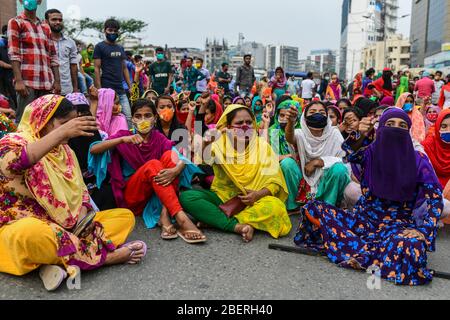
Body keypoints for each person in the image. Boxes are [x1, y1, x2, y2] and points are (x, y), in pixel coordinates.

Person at [0, 94, 147, 291]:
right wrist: (61, 133)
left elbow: (81, 193)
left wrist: (82, 220)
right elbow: (15, 162)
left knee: (124, 217)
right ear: (44, 119)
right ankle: (106, 258)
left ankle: (51, 263)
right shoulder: (14, 141)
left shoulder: (65, 151)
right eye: (64, 124)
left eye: (73, 124)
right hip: (25, 223)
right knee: (31, 235)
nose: (71, 131)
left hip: (68, 227)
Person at [295, 108, 443, 286]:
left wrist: (424, 232)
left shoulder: (418, 160)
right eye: (389, 124)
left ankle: (360, 252)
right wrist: (361, 133)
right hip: (362, 221)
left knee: (411, 246)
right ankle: (377, 255)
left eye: (402, 125)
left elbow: (435, 199)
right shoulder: (371, 152)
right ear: (380, 129)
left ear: (408, 131)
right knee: (314, 208)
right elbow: (349, 152)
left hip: (395, 227)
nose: (395, 129)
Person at [89, 98, 206, 243]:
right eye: (138, 116)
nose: (143, 120)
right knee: (153, 165)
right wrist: (122, 140)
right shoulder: (124, 135)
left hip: (156, 194)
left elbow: (181, 157)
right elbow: (94, 150)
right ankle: (181, 218)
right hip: (132, 196)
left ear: (154, 118)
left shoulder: (158, 138)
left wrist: (176, 170)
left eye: (147, 115)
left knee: (171, 156)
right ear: (132, 119)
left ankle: (164, 214)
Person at [180, 105, 292, 242]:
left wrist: (257, 195)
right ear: (228, 126)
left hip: (255, 200)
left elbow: (274, 182)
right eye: (239, 123)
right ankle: (236, 226)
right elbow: (203, 160)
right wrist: (206, 143)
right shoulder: (219, 143)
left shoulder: (263, 146)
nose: (245, 126)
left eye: (249, 122)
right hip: (223, 198)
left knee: (276, 207)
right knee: (187, 197)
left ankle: (215, 220)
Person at [285, 101, 350, 206]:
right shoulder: (299, 133)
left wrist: (318, 162)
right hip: (303, 178)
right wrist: (291, 122)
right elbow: (290, 137)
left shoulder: (334, 133)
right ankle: (294, 206)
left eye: (322, 112)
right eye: (312, 112)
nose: (317, 114)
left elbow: (344, 159)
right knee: (287, 163)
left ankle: (327, 206)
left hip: (325, 180)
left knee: (340, 169)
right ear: (305, 117)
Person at [8, 0, 61, 122]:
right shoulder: (16, 22)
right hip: (27, 83)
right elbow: (14, 54)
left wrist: (57, 81)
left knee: (44, 122)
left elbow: (53, 56)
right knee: (25, 122)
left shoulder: (45, 27)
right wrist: (19, 80)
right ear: (21, 1)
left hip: (46, 83)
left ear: (39, 1)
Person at [94, 18, 132, 125]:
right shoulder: (99, 47)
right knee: (106, 118)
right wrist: (99, 89)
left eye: (115, 31)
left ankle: (128, 140)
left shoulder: (120, 48)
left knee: (128, 117)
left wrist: (130, 86)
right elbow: (97, 68)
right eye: (110, 30)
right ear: (105, 30)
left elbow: (124, 68)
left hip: (120, 89)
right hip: (107, 89)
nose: (113, 33)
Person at [269, 100, 303, 212]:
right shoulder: (273, 131)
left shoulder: (302, 131)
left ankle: (297, 202)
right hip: (279, 169)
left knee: (288, 164)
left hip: (302, 170)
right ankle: (289, 204)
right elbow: (272, 157)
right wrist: (288, 156)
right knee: (287, 163)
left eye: (288, 116)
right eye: (281, 115)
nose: (284, 118)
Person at [46, 9, 79, 96]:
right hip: (47, 89)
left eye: (60, 20)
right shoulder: (43, 41)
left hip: (67, 89)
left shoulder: (70, 42)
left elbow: (73, 66)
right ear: (46, 22)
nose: (58, 22)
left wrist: (75, 88)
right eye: (54, 19)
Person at [422, 109, 450, 192]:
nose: (448, 130)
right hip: (430, 191)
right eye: (444, 126)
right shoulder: (427, 146)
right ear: (437, 126)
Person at [0, 25, 17, 111]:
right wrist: (13, 66)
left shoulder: (15, 43)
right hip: (6, 75)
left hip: (16, 74)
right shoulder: (2, 44)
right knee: (9, 96)